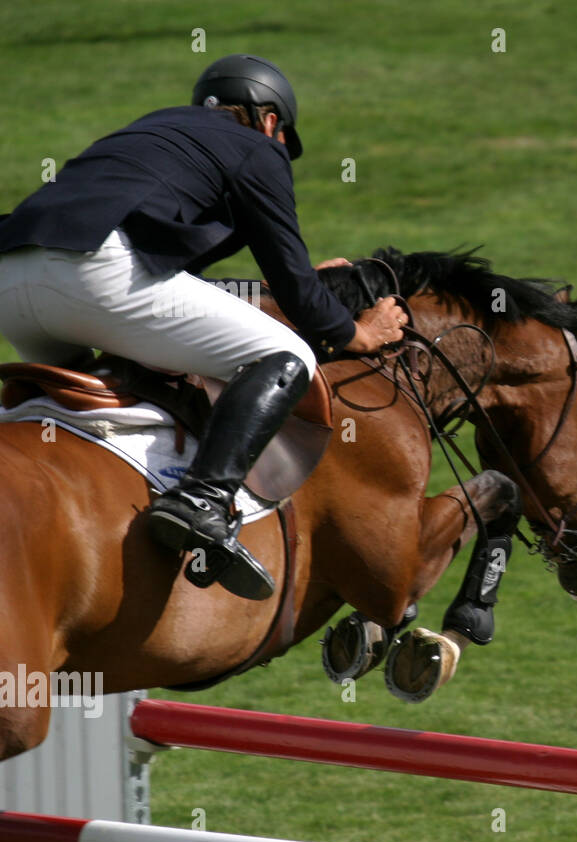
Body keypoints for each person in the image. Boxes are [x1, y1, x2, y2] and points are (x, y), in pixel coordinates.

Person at [0, 53, 407, 601]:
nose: (281, 144)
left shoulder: (153, 129)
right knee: (286, 357)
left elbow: (179, 283)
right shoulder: (259, 148)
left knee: (81, 405)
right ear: (268, 118)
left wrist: (298, 286)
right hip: (94, 273)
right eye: (282, 132)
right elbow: (293, 288)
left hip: (13, 276)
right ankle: (203, 500)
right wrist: (358, 331)